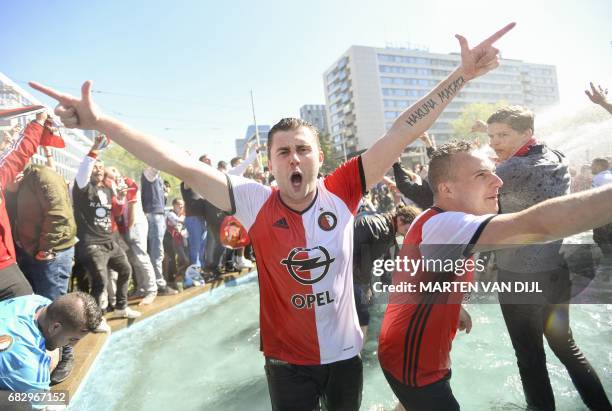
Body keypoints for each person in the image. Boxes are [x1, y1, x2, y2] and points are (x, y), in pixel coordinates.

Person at [29, 22, 516, 410]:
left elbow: (401, 132)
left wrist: (462, 77)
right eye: (282, 152)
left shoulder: (345, 188)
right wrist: (101, 122)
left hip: (346, 356)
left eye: (302, 149)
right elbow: (175, 160)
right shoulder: (252, 200)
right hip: (286, 363)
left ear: (318, 158)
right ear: (271, 162)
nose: (294, 159)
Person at [377, 140, 612, 411]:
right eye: (481, 175)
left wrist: (455, 305)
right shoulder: (445, 225)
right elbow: (538, 225)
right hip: (415, 365)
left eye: (493, 171)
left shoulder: (432, 217)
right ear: (447, 188)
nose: (498, 181)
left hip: (409, 351)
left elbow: (413, 273)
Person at [488, 106, 611, 411]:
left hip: (519, 278)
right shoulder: (557, 157)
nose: (494, 142)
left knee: (529, 356)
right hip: (557, 271)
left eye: (503, 135)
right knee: (567, 347)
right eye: (491, 135)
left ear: (527, 134)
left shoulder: (508, 171)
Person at [6, 160, 78, 384]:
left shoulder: (42, 175)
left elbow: (58, 213)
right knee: (41, 308)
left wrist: (46, 247)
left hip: (50, 254)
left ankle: (65, 356)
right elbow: (11, 216)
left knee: (55, 305)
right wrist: (11, 191)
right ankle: (45, 358)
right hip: (32, 251)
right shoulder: (18, 182)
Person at [71, 136, 140, 325]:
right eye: (95, 167)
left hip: (110, 241)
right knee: (100, 281)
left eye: (101, 167)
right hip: (92, 243)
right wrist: (94, 150)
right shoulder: (82, 189)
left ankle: (121, 307)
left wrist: (121, 199)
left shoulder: (107, 190)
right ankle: (95, 319)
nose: (99, 169)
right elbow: (84, 172)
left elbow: (115, 213)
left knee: (126, 269)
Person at [0, 292, 102, 394]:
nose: (71, 345)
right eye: (72, 339)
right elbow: (43, 405)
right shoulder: (28, 364)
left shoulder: (37, 301)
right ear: (55, 327)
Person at [353, 204, 420, 340]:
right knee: (363, 311)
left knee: (365, 303)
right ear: (400, 220)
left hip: (351, 264)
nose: (409, 234)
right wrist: (366, 288)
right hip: (350, 269)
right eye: (408, 230)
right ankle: (358, 349)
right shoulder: (384, 231)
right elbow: (365, 260)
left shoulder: (385, 223)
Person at [0, 111, 48, 301]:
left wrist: (38, 124)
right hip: (4, 271)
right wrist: (38, 122)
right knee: (26, 314)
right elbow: (17, 154)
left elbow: (16, 154)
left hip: (6, 269)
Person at [141, 167, 178, 295]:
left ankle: (156, 282)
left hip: (159, 215)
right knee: (156, 253)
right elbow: (156, 164)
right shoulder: (148, 173)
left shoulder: (158, 178)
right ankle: (159, 284)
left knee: (158, 252)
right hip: (154, 216)